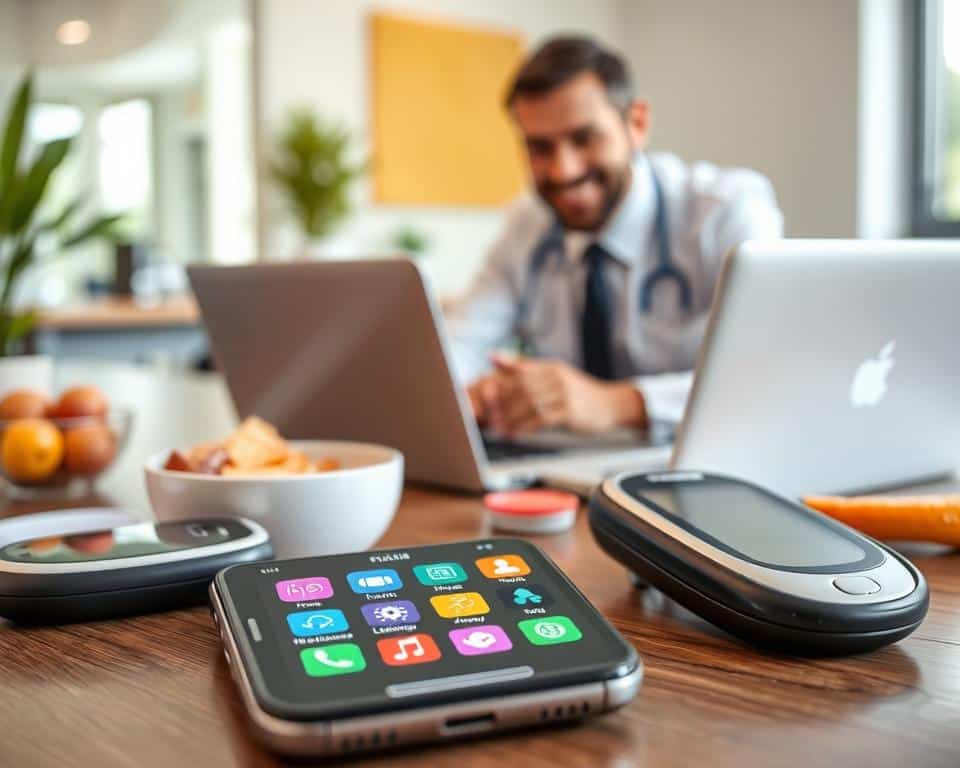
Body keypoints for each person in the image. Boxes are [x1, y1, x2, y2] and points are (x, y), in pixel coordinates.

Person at [445, 36, 784, 437]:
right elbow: (460, 343)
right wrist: (469, 395)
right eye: (539, 148)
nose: (562, 171)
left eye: (584, 139)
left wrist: (616, 404)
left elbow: (768, 375)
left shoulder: (726, 212)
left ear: (637, 123)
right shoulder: (527, 224)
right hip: (567, 470)